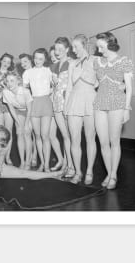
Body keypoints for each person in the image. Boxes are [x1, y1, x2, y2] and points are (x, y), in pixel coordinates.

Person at [0, 125, 62, 201]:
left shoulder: (2, 147)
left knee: (23, 173)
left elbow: (2, 155)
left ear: (1, 142)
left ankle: (53, 174)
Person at [93, 32, 133, 189]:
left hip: (117, 103)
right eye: (98, 47)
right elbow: (96, 83)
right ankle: (109, 173)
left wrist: (126, 109)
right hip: (100, 103)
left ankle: (114, 175)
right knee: (103, 142)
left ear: (110, 44)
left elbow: (129, 88)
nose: (99, 50)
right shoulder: (98, 62)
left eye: (101, 47)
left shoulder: (124, 61)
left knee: (114, 141)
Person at [64, 34, 98, 185]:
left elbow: (100, 82)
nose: (73, 50)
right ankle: (78, 171)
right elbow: (69, 87)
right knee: (74, 139)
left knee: (90, 138)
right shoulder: (72, 63)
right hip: (74, 101)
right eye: (72, 47)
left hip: (90, 100)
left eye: (75, 47)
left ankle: (89, 171)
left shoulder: (95, 60)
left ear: (84, 45)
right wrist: (66, 107)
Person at [23, 48, 53, 172]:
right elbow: (25, 90)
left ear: (45, 59)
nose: (37, 61)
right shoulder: (28, 73)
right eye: (35, 58)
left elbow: (54, 86)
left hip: (46, 102)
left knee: (45, 135)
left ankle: (46, 165)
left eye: (40, 58)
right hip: (34, 102)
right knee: (37, 135)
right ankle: (41, 163)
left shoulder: (48, 71)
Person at [50, 37, 75, 177]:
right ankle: (67, 164)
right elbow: (54, 87)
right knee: (65, 136)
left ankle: (72, 167)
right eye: (56, 49)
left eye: (61, 49)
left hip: (68, 103)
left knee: (71, 136)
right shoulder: (53, 66)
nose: (57, 52)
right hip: (57, 104)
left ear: (67, 49)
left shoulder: (72, 63)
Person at [2, 71, 33, 169]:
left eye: (12, 81)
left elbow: (30, 109)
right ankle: (22, 162)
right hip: (18, 111)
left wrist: (27, 123)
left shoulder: (25, 91)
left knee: (27, 133)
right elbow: (11, 109)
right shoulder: (5, 92)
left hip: (31, 111)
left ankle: (28, 162)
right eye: (7, 81)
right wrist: (18, 122)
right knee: (19, 133)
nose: (9, 83)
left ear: (18, 81)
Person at [48, 46, 70, 173]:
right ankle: (61, 160)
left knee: (66, 135)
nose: (54, 59)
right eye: (51, 57)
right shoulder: (51, 69)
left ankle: (67, 163)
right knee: (51, 134)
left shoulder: (69, 64)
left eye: (55, 56)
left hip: (64, 103)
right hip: (52, 104)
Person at [0, 53, 15, 165]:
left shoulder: (12, 74)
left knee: (9, 132)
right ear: (0, 60)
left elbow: (13, 88)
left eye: (9, 62)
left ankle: (7, 157)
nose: (6, 64)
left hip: (8, 103)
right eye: (4, 61)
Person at [18, 53, 38, 167]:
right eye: (21, 63)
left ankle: (34, 156)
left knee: (36, 133)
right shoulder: (24, 74)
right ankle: (28, 159)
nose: (23, 64)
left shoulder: (36, 71)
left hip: (36, 104)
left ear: (31, 60)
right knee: (27, 132)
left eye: (25, 61)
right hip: (27, 105)